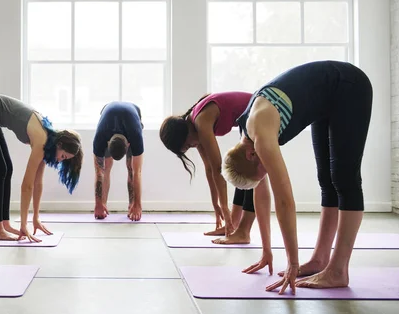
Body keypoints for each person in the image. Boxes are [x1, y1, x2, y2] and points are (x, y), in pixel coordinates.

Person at [222, 60, 373, 295]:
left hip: (348, 85)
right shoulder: (246, 135)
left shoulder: (260, 133)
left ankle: (338, 270)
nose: (266, 176)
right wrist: (267, 251)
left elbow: (284, 200)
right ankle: (320, 260)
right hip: (328, 97)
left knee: (344, 178)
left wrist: (292, 262)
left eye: (262, 173)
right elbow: (262, 199)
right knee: (327, 180)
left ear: (251, 155)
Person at [159, 92, 272, 244]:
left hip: (260, 111)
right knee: (241, 169)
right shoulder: (195, 129)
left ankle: (243, 232)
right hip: (250, 116)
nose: (192, 146)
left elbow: (218, 167)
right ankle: (233, 225)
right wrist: (216, 204)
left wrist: (224, 207)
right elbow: (209, 169)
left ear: (186, 132)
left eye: (187, 144)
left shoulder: (201, 122)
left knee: (252, 173)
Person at [0, 94, 83, 242]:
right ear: (59, 145)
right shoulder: (42, 140)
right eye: (63, 157)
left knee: (7, 168)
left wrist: (35, 218)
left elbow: (37, 182)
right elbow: (27, 186)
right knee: (0, 168)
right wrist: (23, 225)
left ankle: (4, 224)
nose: (59, 161)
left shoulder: (50, 141)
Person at [93, 102, 144, 221]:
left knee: (131, 168)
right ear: (107, 143)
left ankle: (132, 205)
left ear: (129, 145)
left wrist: (138, 205)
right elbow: (98, 172)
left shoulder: (135, 135)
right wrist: (98, 204)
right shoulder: (100, 137)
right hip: (107, 112)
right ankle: (103, 204)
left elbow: (137, 172)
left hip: (133, 113)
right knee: (105, 167)